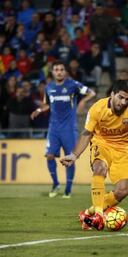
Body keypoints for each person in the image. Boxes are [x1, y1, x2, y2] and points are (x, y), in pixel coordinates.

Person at [60, 80, 128, 230]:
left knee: (123, 190)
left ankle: (87, 213)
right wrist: (74, 155)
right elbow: (87, 134)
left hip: (123, 149)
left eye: (127, 99)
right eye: (121, 97)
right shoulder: (97, 109)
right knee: (100, 169)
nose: (123, 102)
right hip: (101, 144)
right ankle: (98, 215)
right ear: (112, 94)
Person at [30, 60, 96, 198]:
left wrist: (83, 101)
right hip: (53, 128)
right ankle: (55, 184)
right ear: (52, 72)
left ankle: (68, 188)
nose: (59, 72)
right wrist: (38, 110)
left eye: (61, 69)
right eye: (56, 69)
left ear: (65, 71)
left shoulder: (73, 85)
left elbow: (92, 93)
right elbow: (47, 104)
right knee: (49, 156)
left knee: (69, 158)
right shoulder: (49, 87)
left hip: (69, 128)